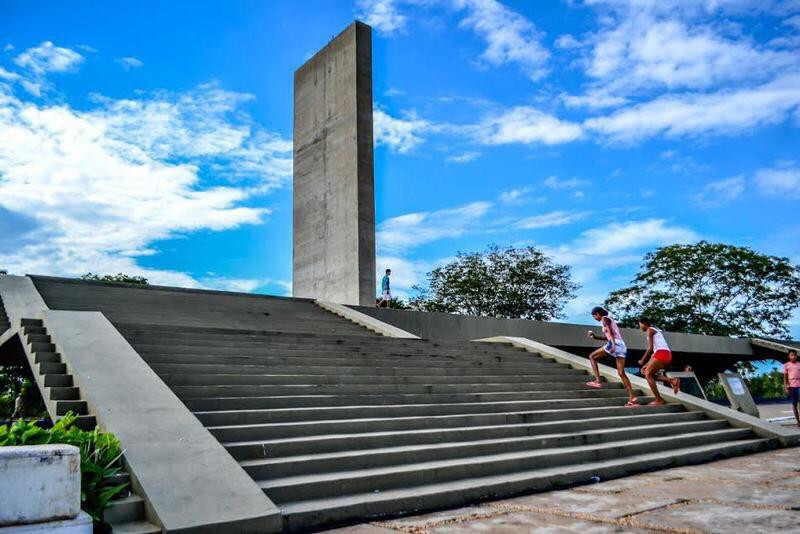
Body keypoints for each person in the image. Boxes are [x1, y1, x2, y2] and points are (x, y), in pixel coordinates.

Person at [586, 306, 638, 407]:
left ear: (597, 314)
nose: (595, 319)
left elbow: (610, 333)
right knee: (621, 373)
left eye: (594, 316)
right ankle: (632, 397)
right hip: (622, 345)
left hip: (615, 344)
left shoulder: (604, 319)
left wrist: (613, 345)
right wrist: (595, 337)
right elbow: (608, 336)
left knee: (592, 356)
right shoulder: (610, 319)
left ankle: (597, 380)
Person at [637, 317, 680, 405]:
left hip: (662, 353)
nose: (640, 327)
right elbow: (654, 353)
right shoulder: (654, 331)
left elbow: (650, 349)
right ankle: (672, 381)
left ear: (644, 324)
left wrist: (642, 360)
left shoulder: (650, 330)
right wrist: (647, 364)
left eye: (640, 325)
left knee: (647, 374)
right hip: (664, 354)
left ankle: (658, 399)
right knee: (647, 372)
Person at [783, 349, 800, 427]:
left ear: (796, 356)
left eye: (794, 355)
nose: (793, 356)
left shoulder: (799, 364)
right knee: (794, 404)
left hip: (799, 385)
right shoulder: (786, 365)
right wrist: (786, 387)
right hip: (792, 387)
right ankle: (798, 421)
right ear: (789, 356)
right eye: (791, 355)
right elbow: (785, 377)